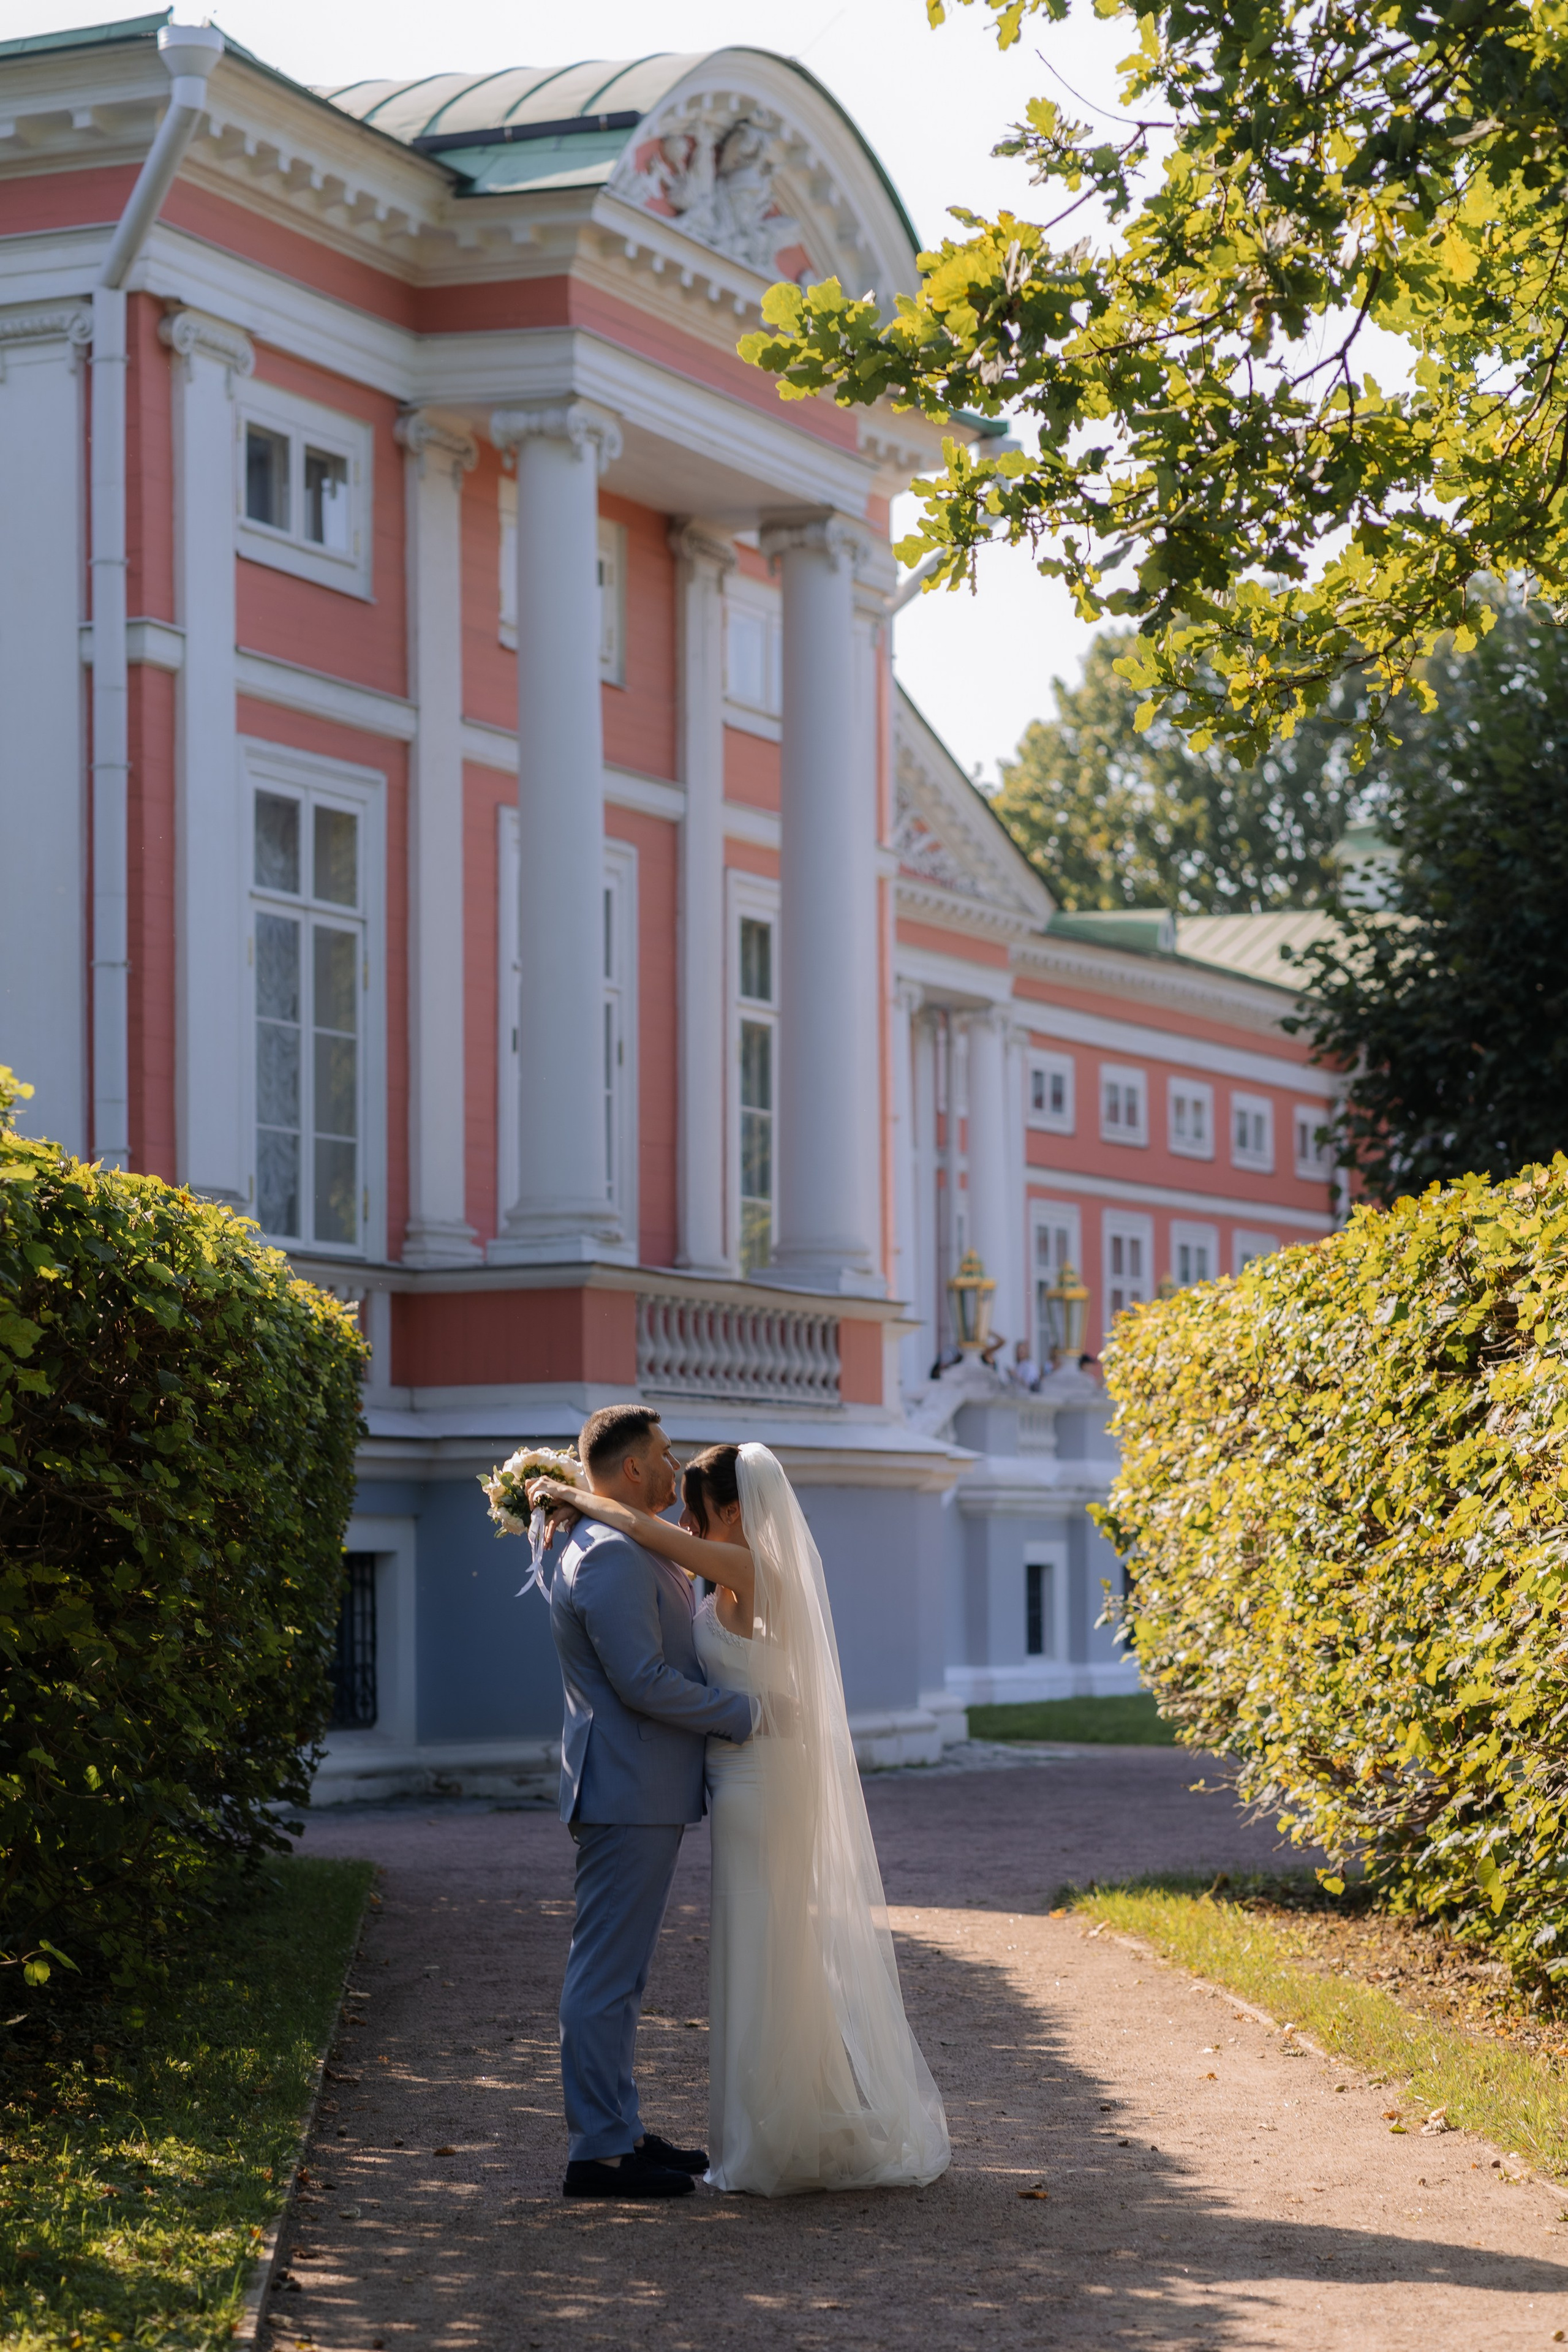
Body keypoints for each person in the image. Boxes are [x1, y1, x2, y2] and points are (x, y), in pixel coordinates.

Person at [531, 1439, 950, 2199]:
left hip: (756, 1782)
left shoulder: (750, 1569)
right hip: (731, 1780)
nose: (686, 1520)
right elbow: (656, 1573)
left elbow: (658, 1541)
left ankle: (770, 2130)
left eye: (698, 1507)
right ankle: (696, 2130)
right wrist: (581, 1500)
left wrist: (582, 1496)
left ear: (733, 1510)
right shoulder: (706, 1565)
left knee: (765, 1952)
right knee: (753, 1955)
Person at [546, 1403, 755, 2202]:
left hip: (640, 1786)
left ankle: (620, 2131)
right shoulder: (610, 1558)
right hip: (626, 1787)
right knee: (605, 1973)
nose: (677, 1467)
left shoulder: (625, 1544)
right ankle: (599, 2154)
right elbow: (641, 1682)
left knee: (621, 1975)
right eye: (666, 1455)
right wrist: (745, 1714)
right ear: (633, 1469)